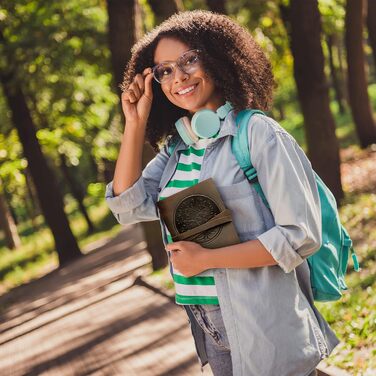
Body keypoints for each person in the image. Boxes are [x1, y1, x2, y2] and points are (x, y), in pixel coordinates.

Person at [105, 10, 339, 376]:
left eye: (189, 60)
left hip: (260, 317)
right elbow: (127, 206)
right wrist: (134, 123)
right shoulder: (177, 149)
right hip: (208, 323)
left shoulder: (259, 135)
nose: (178, 76)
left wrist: (206, 260)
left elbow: (299, 236)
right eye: (164, 70)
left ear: (217, 58)